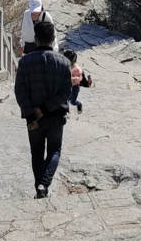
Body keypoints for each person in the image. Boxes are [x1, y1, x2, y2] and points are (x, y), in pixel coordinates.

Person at [14, 16, 74, 197]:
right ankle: (43, 185)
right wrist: (46, 108)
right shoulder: (64, 62)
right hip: (56, 116)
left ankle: (39, 187)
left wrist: (32, 114)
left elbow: (20, 91)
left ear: (36, 39)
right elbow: (66, 92)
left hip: (34, 120)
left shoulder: (25, 62)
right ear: (54, 39)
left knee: (37, 153)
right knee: (55, 150)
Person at [61, 46, 92, 112]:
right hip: (66, 86)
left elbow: (79, 78)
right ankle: (65, 112)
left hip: (74, 87)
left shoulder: (77, 69)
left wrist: (71, 78)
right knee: (64, 99)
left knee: (72, 101)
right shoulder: (63, 65)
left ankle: (79, 104)